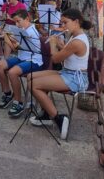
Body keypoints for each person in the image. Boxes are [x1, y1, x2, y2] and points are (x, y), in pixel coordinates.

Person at [28, 9, 92, 140]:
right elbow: (70, 54)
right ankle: (46, 113)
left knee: (33, 84)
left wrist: (53, 45)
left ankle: (58, 119)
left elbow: (56, 59)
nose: (63, 26)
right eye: (62, 23)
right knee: (30, 77)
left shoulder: (77, 41)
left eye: (65, 23)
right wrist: (60, 45)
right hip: (68, 72)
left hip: (76, 78)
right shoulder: (75, 36)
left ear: (76, 22)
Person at [0, 10, 42, 117]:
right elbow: (15, 48)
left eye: (18, 21)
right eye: (15, 22)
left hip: (34, 60)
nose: (17, 24)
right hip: (22, 57)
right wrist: (7, 36)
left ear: (27, 19)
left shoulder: (31, 32)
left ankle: (18, 102)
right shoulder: (22, 29)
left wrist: (7, 38)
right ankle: (7, 93)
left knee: (12, 73)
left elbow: (14, 48)